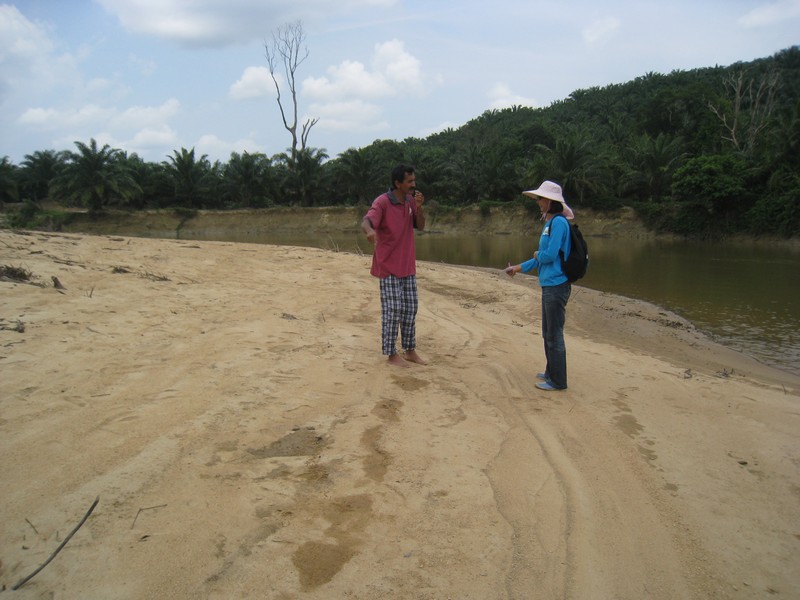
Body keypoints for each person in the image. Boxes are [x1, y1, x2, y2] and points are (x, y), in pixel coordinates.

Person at [504, 180, 573, 391]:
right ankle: (551, 372)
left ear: (550, 202)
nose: (538, 202)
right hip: (549, 285)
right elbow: (541, 259)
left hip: (557, 285)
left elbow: (548, 255)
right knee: (548, 332)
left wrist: (537, 254)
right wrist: (517, 267)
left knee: (554, 334)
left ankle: (558, 381)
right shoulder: (550, 223)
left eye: (540, 198)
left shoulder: (559, 223)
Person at [361, 164, 427, 368]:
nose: (414, 184)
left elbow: (421, 226)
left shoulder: (410, 201)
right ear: (398, 183)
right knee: (393, 309)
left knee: (410, 308)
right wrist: (369, 232)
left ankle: (410, 350)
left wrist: (419, 207)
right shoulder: (382, 202)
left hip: (407, 265)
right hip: (388, 265)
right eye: (409, 181)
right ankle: (391, 354)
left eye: (414, 180)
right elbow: (366, 221)